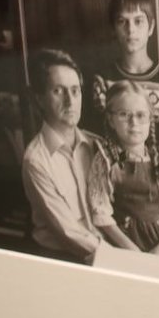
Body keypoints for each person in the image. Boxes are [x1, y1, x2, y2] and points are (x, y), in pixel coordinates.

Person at [91, 0, 159, 171]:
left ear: (151, 27)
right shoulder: (103, 81)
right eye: (123, 21)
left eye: (138, 21)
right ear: (114, 28)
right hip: (116, 179)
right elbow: (100, 138)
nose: (131, 30)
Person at [88, 80, 159, 258]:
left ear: (151, 118)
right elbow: (101, 212)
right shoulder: (105, 159)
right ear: (111, 120)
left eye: (140, 115)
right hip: (125, 244)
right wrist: (135, 254)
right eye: (124, 114)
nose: (133, 122)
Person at [21, 48, 102, 264]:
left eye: (75, 91)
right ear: (39, 99)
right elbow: (68, 233)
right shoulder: (35, 160)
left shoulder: (97, 146)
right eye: (58, 91)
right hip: (62, 259)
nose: (70, 101)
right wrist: (122, 258)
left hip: (105, 253)